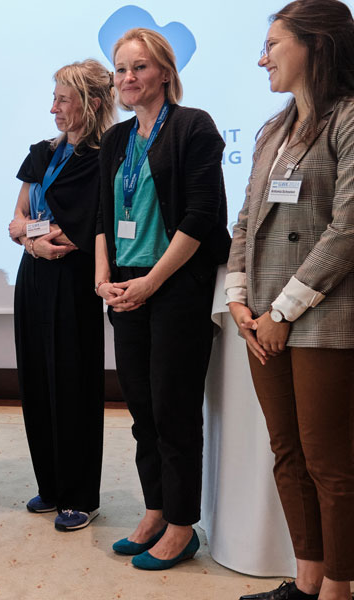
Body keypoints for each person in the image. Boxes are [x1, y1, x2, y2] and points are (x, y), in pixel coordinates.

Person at [226, 2, 354, 598]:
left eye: (273, 43)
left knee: (330, 464)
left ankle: (338, 587)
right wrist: (239, 299)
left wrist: (281, 312)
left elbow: (348, 228)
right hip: (262, 319)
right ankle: (305, 582)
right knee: (288, 453)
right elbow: (247, 219)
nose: (261, 57)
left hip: (324, 317)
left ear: (317, 45)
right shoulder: (273, 130)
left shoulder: (349, 118)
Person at [94, 29, 230, 570]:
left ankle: (181, 524)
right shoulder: (115, 140)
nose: (128, 78)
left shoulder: (193, 126)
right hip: (124, 287)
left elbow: (201, 216)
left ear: (165, 72)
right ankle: (154, 510)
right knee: (141, 410)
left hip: (174, 289)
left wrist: (151, 283)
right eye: (121, 69)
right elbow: (105, 216)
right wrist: (103, 278)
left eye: (140, 67)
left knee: (173, 411)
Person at [8, 60, 114, 531]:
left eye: (62, 100)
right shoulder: (42, 152)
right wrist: (34, 239)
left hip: (74, 281)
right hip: (33, 275)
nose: (53, 108)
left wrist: (38, 234)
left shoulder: (104, 155)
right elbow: (18, 219)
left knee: (74, 385)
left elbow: (79, 231)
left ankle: (81, 496)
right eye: (53, 98)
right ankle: (50, 486)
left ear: (91, 104)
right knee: (36, 381)